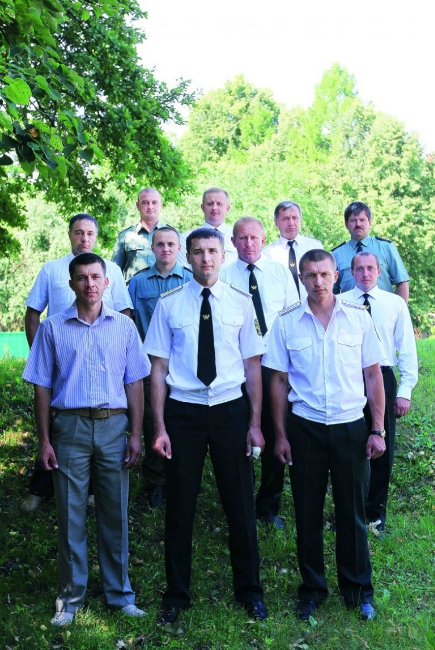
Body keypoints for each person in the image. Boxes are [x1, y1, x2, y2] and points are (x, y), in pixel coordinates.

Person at [145, 227, 267, 625]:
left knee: (240, 505)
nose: (206, 259)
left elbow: (253, 366)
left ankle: (250, 593)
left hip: (231, 411)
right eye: (197, 252)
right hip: (184, 413)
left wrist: (255, 423)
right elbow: (158, 368)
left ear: (223, 254)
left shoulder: (241, 302)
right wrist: (159, 427)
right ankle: (176, 595)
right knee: (180, 508)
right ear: (188, 256)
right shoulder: (169, 304)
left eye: (212, 251)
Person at [22, 253, 149, 626]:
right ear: (71, 284)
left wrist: (136, 434)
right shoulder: (52, 328)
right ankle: (70, 599)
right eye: (82, 278)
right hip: (70, 428)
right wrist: (44, 441)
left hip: (114, 427)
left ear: (107, 282)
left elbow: (135, 383)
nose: (89, 284)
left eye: (96, 277)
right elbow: (42, 387)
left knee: (115, 513)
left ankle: (119, 595)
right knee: (70, 514)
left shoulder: (124, 328)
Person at [263, 249, 386, 622]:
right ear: (301, 278)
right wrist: (281, 435)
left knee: (353, 513)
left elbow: (373, 375)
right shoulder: (286, 322)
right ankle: (312, 591)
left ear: (336, 276)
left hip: (350, 427)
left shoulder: (358, 318)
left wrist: (377, 429)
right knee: (307, 512)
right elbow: (278, 381)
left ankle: (358, 592)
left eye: (324, 274)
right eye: (311, 275)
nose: (318, 281)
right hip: (306, 428)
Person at [21, 213, 133, 513]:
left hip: (102, 362)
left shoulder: (111, 270)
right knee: (57, 424)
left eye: (90, 233)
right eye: (78, 232)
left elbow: (125, 312)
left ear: (96, 236)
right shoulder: (52, 269)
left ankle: (93, 491)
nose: (84, 238)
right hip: (63, 358)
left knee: (98, 423)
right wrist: (40, 355)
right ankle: (40, 487)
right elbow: (33, 313)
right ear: (70, 234)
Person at [220, 216, 298, 527]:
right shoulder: (223, 275)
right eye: (242, 238)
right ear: (233, 242)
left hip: (274, 363)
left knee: (275, 430)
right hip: (237, 366)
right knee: (241, 431)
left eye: (254, 238)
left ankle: (268, 506)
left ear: (263, 240)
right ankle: (240, 501)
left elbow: (293, 316)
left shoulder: (279, 273)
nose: (248, 243)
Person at [339, 251, 418, 536]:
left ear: (379, 270)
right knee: (350, 446)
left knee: (382, 446)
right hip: (349, 378)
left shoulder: (394, 303)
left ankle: (375, 515)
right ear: (351, 272)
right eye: (359, 269)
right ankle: (350, 511)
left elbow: (406, 347)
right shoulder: (339, 302)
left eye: (370, 268)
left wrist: (405, 390)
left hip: (382, 377)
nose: (365, 274)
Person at [128, 226, 192, 508]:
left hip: (183, 365)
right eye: (160, 244)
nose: (166, 249)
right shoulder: (138, 282)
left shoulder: (190, 279)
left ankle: (180, 476)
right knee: (152, 420)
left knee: (180, 420)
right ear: (152, 248)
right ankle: (155, 481)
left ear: (179, 249)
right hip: (148, 365)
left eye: (171, 244)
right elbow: (129, 323)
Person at [332, 201, 409, 302]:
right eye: (353, 220)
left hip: (383, 308)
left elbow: (402, 283)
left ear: (370, 222)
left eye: (362, 220)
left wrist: (400, 310)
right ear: (346, 224)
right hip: (349, 309)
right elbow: (332, 291)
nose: (358, 224)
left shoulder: (386, 247)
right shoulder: (336, 254)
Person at [262, 200, 323, 300]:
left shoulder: (315, 247)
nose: (291, 223)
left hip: (313, 305)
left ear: (300, 220)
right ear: (276, 222)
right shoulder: (267, 254)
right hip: (282, 307)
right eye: (285, 219)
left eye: (294, 218)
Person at [112, 187, 167, 282]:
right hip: (133, 291)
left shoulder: (173, 236)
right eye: (145, 202)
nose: (150, 207)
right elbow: (114, 273)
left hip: (165, 290)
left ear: (161, 205)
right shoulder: (125, 236)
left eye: (154, 202)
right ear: (138, 206)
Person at [178, 187, 237, 267]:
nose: (214, 208)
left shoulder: (238, 237)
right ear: (202, 207)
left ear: (227, 208)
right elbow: (183, 269)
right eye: (210, 204)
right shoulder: (185, 238)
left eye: (219, 204)